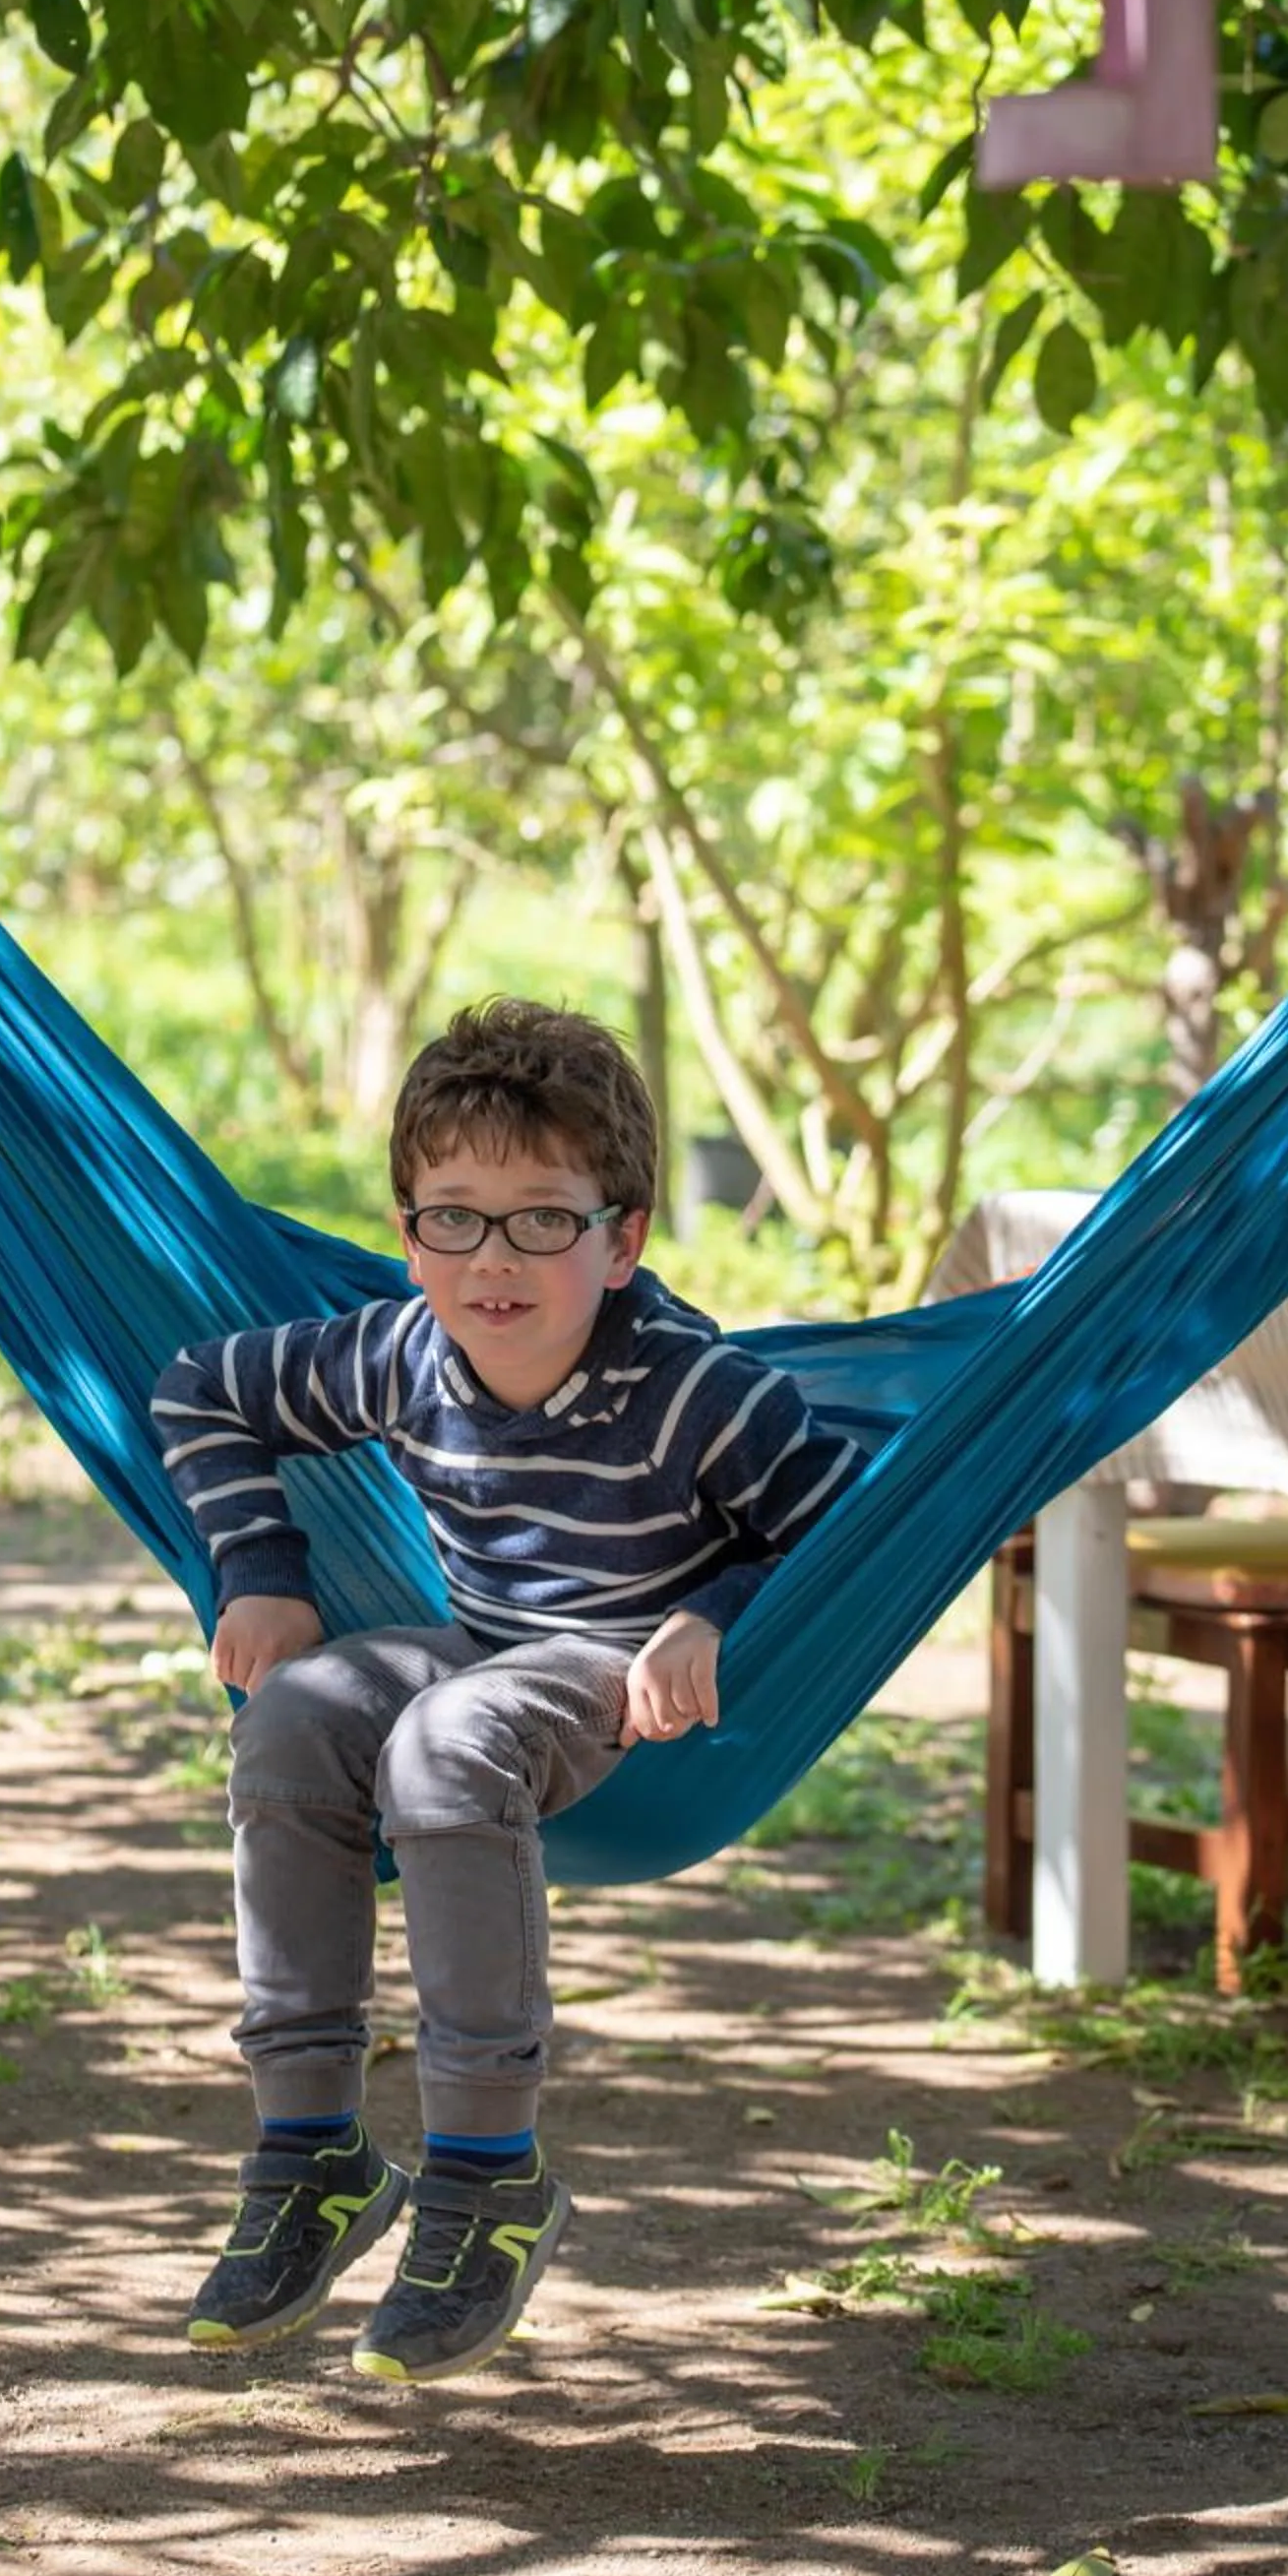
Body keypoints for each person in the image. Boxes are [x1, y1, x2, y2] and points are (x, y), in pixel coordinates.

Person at [150, 997, 864, 2386]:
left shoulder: (698, 1395)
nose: (492, 1259)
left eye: (542, 1219)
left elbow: (841, 1532)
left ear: (624, 1236)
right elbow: (198, 1389)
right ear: (406, 1227)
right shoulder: (399, 1350)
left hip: (617, 1678)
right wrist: (261, 1569)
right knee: (293, 1713)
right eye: (449, 1218)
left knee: (448, 1741)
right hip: (481, 1639)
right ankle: (311, 2150)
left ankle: (487, 2175)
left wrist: (710, 1614)